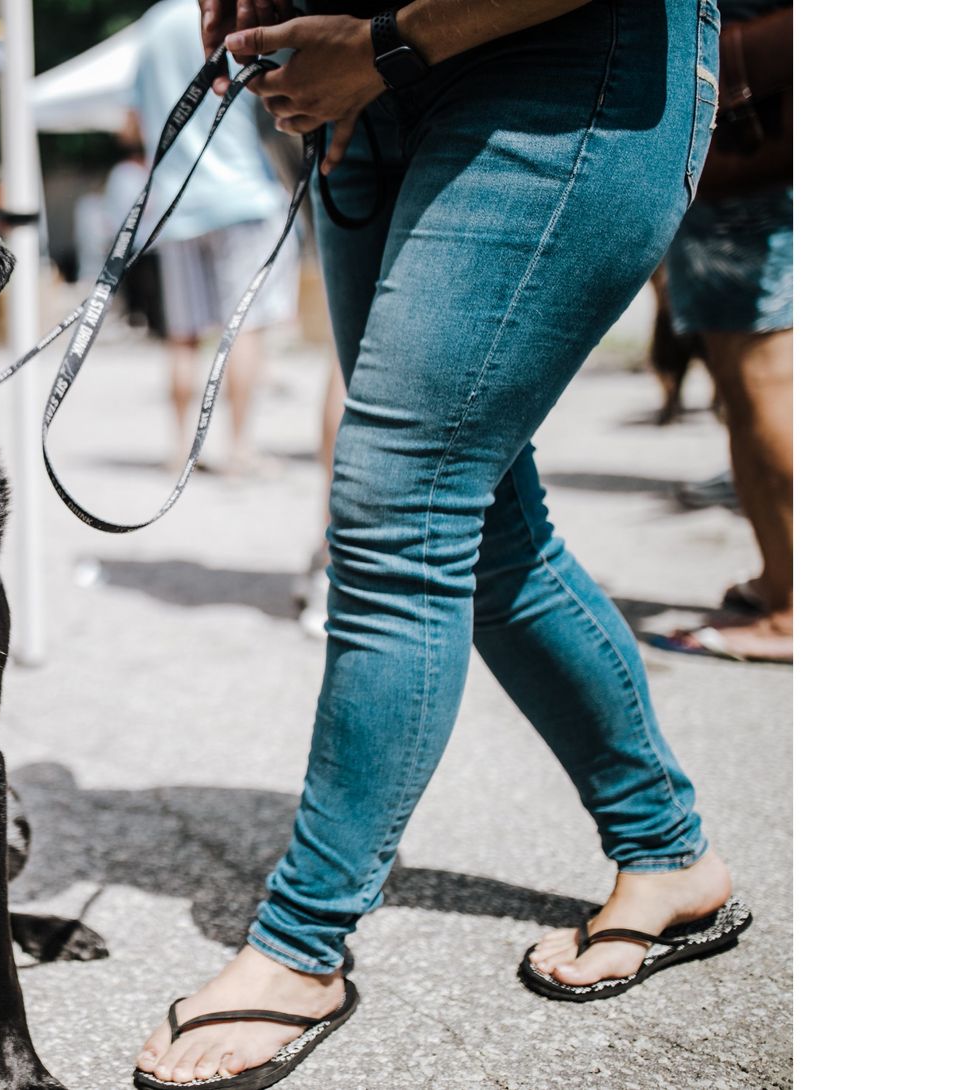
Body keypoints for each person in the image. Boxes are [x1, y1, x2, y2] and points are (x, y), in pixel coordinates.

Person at [131, 3, 738, 1086]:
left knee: (397, 508)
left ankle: (297, 948)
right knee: (486, 522)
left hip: (556, 69)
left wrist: (381, 45)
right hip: (364, 96)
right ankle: (667, 854)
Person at [658, 1, 792, 664]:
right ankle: (782, 579)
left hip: (757, 135)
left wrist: (723, 65)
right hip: (744, 135)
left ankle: (798, 604)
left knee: (764, 380)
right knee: (744, 387)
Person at [131, 0, 301, 477]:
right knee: (245, 326)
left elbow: (133, 115)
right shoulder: (243, 9)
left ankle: (178, 447)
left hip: (174, 200)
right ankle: (239, 448)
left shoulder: (152, 25)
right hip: (244, 192)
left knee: (182, 336)